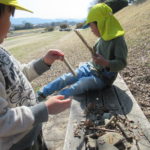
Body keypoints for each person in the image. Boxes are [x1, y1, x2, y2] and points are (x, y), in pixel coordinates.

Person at [0, 0, 71, 150]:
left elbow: (20, 75)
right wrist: (44, 109)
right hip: (17, 143)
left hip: (31, 128)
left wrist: (45, 61)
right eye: (8, 18)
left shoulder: (1, 52)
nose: (10, 25)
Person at [37, 3, 128, 100]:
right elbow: (97, 55)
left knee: (81, 84)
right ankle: (42, 93)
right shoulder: (102, 37)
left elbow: (122, 63)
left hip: (103, 78)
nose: (91, 30)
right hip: (90, 68)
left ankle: (54, 101)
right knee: (67, 77)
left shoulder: (118, 40)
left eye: (91, 25)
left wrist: (105, 63)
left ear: (101, 23)